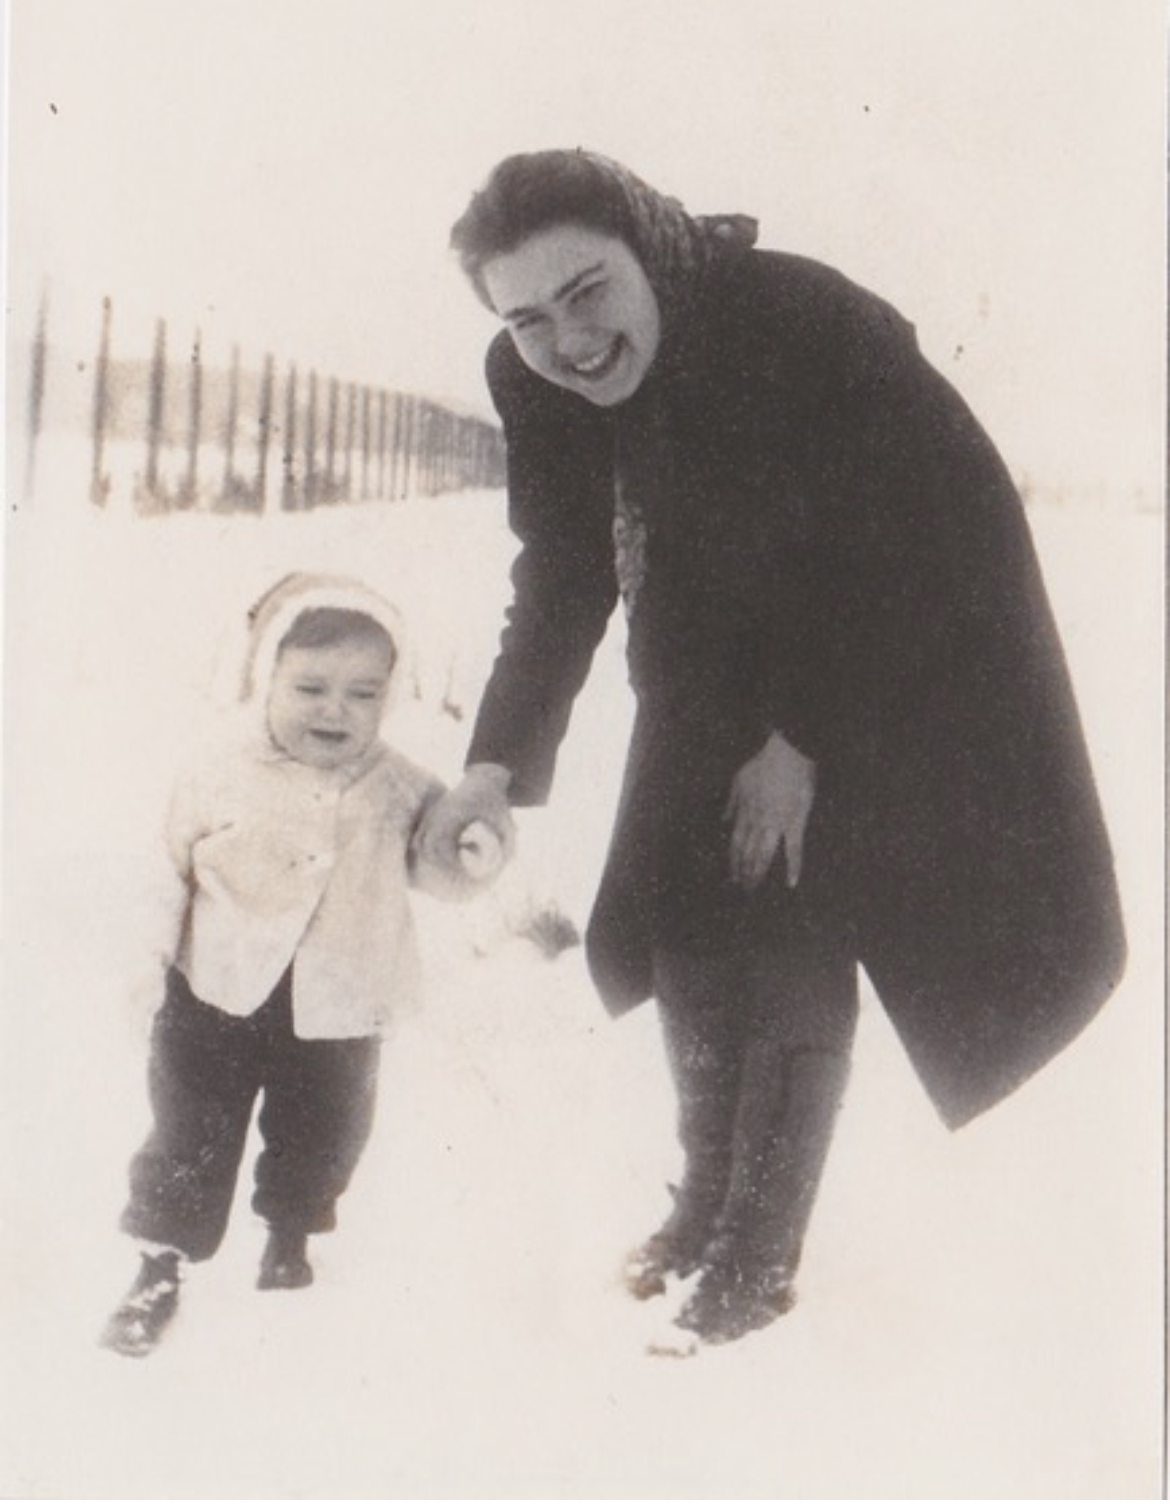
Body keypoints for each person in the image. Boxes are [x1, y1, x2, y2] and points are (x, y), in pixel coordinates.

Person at [419, 148, 1126, 1349]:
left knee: (797, 917)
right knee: (685, 924)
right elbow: (565, 570)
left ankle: (759, 1251)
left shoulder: (796, 318)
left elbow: (919, 534)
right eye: (527, 318)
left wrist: (802, 739)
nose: (568, 343)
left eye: (587, 292)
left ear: (646, 251)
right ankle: (705, 1201)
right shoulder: (528, 380)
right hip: (704, 663)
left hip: (896, 646)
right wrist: (495, 761)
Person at [101, 571, 503, 1358]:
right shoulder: (217, 770)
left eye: (363, 694)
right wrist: (145, 962)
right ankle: (159, 1264)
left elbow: (437, 866)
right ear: (267, 678)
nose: (334, 711)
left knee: (326, 1131)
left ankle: (290, 1232)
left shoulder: (399, 784)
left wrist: (470, 853)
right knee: (189, 1133)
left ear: (390, 695)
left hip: (342, 1003)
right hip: (213, 996)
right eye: (311, 688)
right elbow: (161, 872)